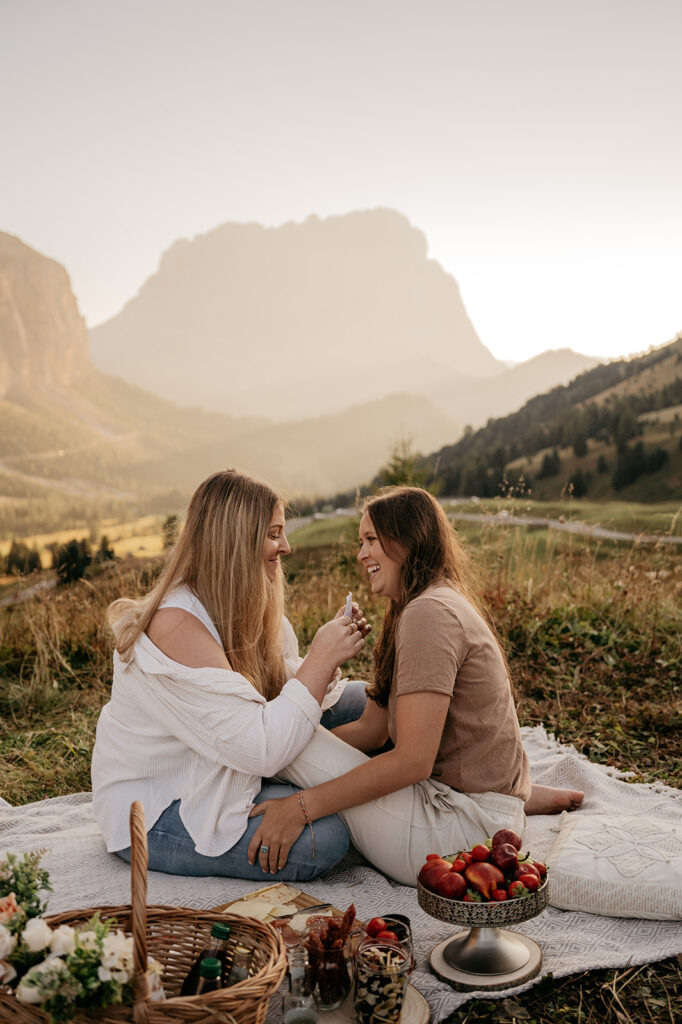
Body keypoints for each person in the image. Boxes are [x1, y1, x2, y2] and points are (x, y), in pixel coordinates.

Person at [249, 486, 584, 886]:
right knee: (297, 735)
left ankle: (241, 784)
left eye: (371, 540)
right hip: (466, 806)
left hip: (458, 833)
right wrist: (305, 760)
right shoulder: (419, 605)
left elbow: (413, 762)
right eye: (361, 542)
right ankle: (517, 797)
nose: (361, 555)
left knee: (279, 729)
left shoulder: (429, 613)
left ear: (408, 539)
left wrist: (300, 805)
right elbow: (372, 731)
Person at [91, 469, 369, 881]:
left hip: (227, 757)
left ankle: (320, 793)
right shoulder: (175, 626)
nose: (286, 546)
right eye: (275, 533)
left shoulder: (234, 599)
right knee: (323, 839)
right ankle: (318, 798)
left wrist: (320, 665)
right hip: (163, 804)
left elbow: (272, 685)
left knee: (363, 700)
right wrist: (319, 661)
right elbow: (262, 749)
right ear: (237, 540)